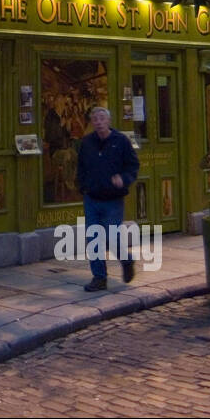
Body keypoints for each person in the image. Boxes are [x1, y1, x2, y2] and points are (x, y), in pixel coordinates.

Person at [75, 107, 139, 291]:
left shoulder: (121, 141)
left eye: (102, 118)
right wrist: (83, 186)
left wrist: (124, 179)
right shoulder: (87, 142)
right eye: (95, 119)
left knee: (112, 236)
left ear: (109, 121)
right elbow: (81, 166)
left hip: (113, 199)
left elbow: (133, 165)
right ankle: (99, 278)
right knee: (94, 237)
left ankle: (126, 261)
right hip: (92, 197)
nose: (98, 121)